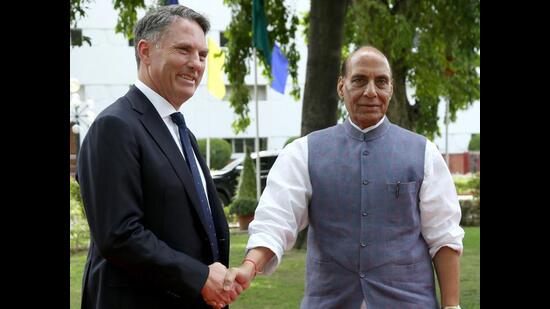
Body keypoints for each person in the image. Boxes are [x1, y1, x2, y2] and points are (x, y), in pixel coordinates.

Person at [223, 46, 464, 309]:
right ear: (341, 87)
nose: (371, 91)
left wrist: (451, 306)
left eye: (381, 82)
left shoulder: (424, 153)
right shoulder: (303, 152)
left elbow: (444, 237)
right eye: (359, 80)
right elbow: (276, 220)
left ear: (391, 89)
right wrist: (249, 266)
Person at [77, 5, 241, 309]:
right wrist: (199, 277)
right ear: (145, 51)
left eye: (203, 55)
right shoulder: (115, 125)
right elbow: (119, 234)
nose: (196, 64)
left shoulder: (180, 131)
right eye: (184, 50)